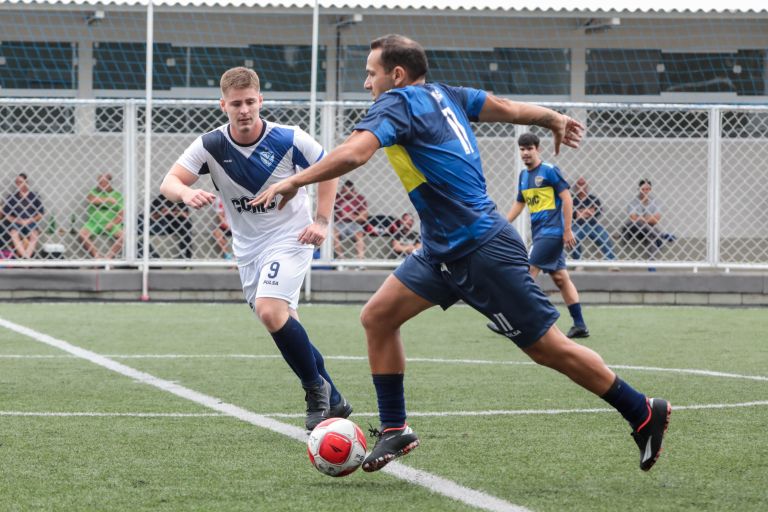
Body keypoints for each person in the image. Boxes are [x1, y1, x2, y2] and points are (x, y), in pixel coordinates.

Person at [251, 34, 670, 473]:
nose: (366, 82)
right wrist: (552, 117)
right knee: (378, 317)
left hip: (480, 250)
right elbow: (506, 108)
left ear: (396, 75)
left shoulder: (398, 102)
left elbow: (356, 153)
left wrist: (295, 181)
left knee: (549, 349)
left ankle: (641, 409)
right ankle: (395, 428)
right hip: (441, 252)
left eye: (371, 73)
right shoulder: (447, 94)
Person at [159, 66, 351, 431]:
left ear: (261, 101)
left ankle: (315, 391)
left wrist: (322, 221)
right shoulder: (211, 144)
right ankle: (335, 398)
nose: (244, 110)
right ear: (223, 105)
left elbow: (331, 168)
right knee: (283, 322)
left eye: (250, 102)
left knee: (269, 310)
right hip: (248, 249)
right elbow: (169, 180)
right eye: (236, 104)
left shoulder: (289, 138)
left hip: (291, 238)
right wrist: (186, 192)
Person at [486, 133, 589, 339]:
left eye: (529, 149)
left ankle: (515, 321)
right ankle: (580, 325)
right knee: (560, 278)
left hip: (551, 234)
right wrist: (503, 224)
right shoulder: (524, 177)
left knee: (526, 274)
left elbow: (567, 198)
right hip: (542, 234)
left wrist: (567, 229)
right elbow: (520, 202)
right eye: (522, 149)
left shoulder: (549, 171)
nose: (525, 153)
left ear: (537, 149)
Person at [570, 176, 617, 263]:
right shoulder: (571, 199)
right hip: (577, 225)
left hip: (593, 225)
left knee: (604, 237)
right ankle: (578, 263)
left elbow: (596, 212)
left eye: (583, 184)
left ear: (586, 185)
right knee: (573, 237)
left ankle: (612, 262)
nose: (581, 186)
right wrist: (588, 211)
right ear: (576, 186)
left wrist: (580, 212)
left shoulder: (593, 198)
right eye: (579, 184)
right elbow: (573, 214)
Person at [79, 173, 124, 259]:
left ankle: (109, 257)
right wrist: (108, 199)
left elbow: (122, 213)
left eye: (105, 182)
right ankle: (97, 256)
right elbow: (92, 200)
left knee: (124, 236)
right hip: (94, 222)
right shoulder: (94, 192)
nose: (102, 185)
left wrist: (112, 223)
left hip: (112, 223)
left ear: (110, 183)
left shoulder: (117, 195)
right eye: (100, 183)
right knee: (82, 234)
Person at [2, 173, 45, 259]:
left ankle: (26, 258)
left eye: (20, 182)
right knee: (14, 233)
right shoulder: (12, 197)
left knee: (34, 234)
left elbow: (40, 214)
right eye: (17, 182)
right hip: (17, 222)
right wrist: (17, 220)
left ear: (26, 182)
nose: (18, 184)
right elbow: (6, 215)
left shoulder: (34, 196)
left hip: (30, 222)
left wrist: (30, 220)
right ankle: (26, 258)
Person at [138, 194, 193, 259]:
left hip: (176, 224)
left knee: (187, 222)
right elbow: (151, 216)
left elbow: (186, 215)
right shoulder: (159, 199)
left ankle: (186, 254)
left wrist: (175, 213)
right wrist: (161, 213)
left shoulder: (179, 199)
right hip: (161, 224)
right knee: (141, 218)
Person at [333, 179, 368, 259]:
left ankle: (360, 259)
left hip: (354, 223)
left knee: (359, 234)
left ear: (353, 190)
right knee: (334, 233)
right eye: (344, 192)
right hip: (339, 223)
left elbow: (364, 217)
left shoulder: (359, 198)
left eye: (348, 192)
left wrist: (352, 216)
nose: (345, 195)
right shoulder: (337, 197)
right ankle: (341, 257)